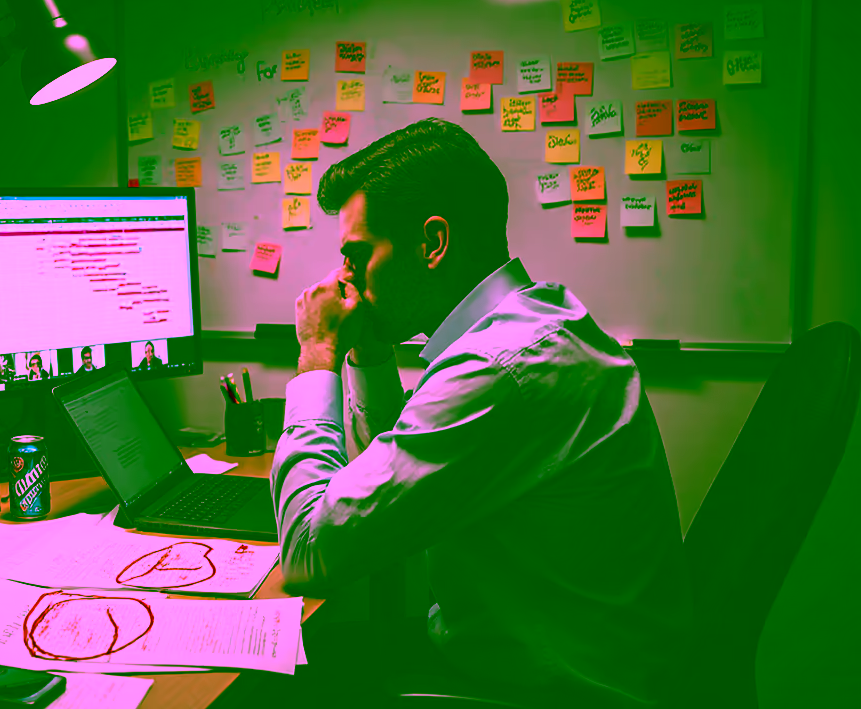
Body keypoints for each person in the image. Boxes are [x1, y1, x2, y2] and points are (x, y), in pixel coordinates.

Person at [275, 118, 690, 708]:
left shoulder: (498, 368)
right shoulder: (529, 328)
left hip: (553, 695)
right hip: (551, 661)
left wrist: (317, 354)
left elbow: (308, 552)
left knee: (284, 684)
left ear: (432, 243)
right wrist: (368, 349)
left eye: (357, 254)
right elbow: (380, 487)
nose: (344, 277)